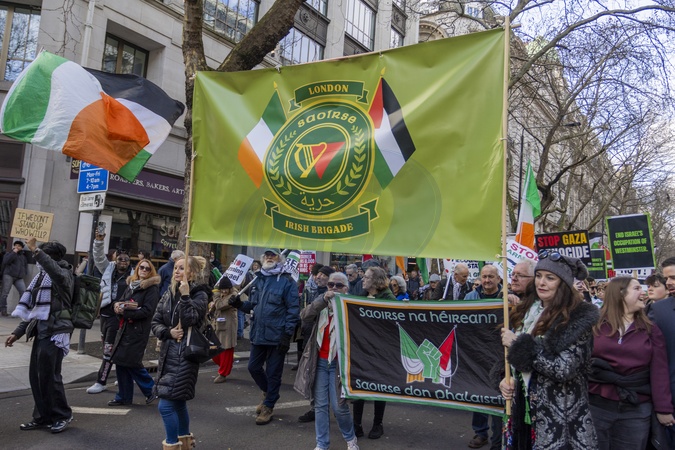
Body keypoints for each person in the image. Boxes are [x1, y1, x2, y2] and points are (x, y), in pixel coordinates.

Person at [499, 250, 599, 449]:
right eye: (538, 276)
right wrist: (505, 378)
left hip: (558, 419)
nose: (541, 283)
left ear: (563, 283)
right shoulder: (527, 311)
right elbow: (513, 362)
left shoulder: (577, 318)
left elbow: (563, 369)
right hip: (523, 411)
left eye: (550, 278)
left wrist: (518, 344)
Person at [589, 276, 674, 449]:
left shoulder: (650, 329)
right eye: (637, 288)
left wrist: (663, 408)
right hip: (597, 405)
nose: (643, 292)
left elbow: (659, 371)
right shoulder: (595, 325)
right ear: (620, 294)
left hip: (636, 408)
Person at [5, 238, 74, 433]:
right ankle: (42, 417)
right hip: (42, 332)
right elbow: (34, 311)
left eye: (42, 257)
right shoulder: (41, 278)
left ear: (51, 258)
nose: (38, 262)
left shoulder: (64, 274)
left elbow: (55, 271)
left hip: (56, 332)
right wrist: (18, 332)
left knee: (50, 377)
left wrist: (37, 251)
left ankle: (62, 415)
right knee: (37, 377)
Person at [229, 248, 300, 425]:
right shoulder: (258, 279)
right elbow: (253, 305)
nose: (269, 257)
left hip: (277, 335)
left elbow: (293, 310)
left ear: (279, 258)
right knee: (253, 367)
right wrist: (239, 304)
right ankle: (269, 393)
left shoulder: (287, 281)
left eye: (273, 255)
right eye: (267, 255)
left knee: (273, 373)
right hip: (259, 333)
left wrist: (287, 335)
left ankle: (268, 406)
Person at [294, 272, 359, 450]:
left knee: (339, 407)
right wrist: (323, 299)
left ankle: (350, 438)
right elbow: (304, 315)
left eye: (339, 285)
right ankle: (322, 443)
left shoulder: (352, 307)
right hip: (320, 362)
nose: (334, 288)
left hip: (340, 364)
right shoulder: (321, 304)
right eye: (331, 285)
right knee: (320, 406)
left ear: (346, 288)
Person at [152, 256, 210, 450]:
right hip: (167, 354)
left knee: (166, 406)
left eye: (182, 268)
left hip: (185, 356)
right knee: (177, 403)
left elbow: (191, 319)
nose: (176, 271)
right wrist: (168, 332)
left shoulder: (200, 294)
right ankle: (184, 443)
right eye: (176, 268)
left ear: (192, 273)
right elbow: (156, 321)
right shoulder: (169, 293)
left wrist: (185, 296)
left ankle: (172, 444)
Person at [108, 258, 160, 406]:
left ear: (151, 272)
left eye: (147, 268)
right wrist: (117, 306)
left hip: (138, 331)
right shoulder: (131, 285)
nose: (144, 270)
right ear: (137, 269)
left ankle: (151, 390)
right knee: (121, 362)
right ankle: (124, 396)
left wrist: (125, 312)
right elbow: (121, 300)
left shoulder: (152, 289)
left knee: (132, 362)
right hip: (124, 329)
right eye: (141, 267)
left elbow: (148, 311)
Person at [87, 233, 133, 395]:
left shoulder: (133, 275)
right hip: (105, 315)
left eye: (126, 259)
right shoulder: (108, 269)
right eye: (120, 259)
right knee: (111, 347)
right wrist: (98, 241)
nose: (123, 262)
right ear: (115, 259)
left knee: (109, 350)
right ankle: (123, 376)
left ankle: (101, 381)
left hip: (120, 317)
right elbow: (99, 257)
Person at [352, 266, 395, 439]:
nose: (363, 280)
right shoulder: (361, 296)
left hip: (380, 351)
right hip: (362, 348)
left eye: (367, 277)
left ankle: (378, 424)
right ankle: (356, 424)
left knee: (379, 386)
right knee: (359, 385)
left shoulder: (389, 299)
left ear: (376, 281)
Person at [465, 264, 503, 450]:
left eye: (491, 276)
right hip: (477, 354)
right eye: (484, 276)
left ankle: (498, 437)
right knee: (478, 393)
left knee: (497, 396)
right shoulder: (470, 297)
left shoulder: (506, 297)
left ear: (498, 279)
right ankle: (480, 433)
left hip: (498, 356)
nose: (487, 280)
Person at [297, 265, 334, 422]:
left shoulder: (338, 296)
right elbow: (305, 314)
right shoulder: (313, 292)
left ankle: (336, 408)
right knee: (313, 375)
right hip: (313, 339)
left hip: (332, 346)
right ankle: (316, 408)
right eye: (317, 274)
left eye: (322, 275)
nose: (318, 277)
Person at [649, 257, 675, 450]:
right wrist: (663, 405)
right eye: (667, 279)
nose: (669, 283)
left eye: (673, 277)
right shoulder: (658, 311)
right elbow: (654, 361)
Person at [209, 276, 238, 383]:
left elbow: (220, 305)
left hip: (228, 327)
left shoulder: (233, 296)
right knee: (214, 351)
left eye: (226, 289)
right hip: (219, 326)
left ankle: (223, 373)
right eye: (222, 289)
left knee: (226, 351)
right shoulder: (222, 295)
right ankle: (225, 367)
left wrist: (215, 296)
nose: (224, 291)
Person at [1, 240, 28, 316]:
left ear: (22, 248)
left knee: (24, 292)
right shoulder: (9, 253)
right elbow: (6, 261)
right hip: (9, 275)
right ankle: (3, 310)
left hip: (19, 277)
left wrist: (24, 273)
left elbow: (25, 266)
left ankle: (20, 310)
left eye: (19, 246)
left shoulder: (23, 257)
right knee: (5, 293)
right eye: (15, 245)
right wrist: (14, 252)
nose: (17, 247)